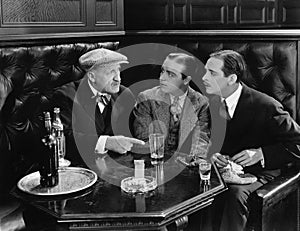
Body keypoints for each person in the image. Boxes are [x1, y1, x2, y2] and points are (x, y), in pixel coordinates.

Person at [202, 49, 300, 231]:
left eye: (212, 73)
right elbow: (206, 139)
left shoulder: (267, 106)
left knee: (235, 194)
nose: (204, 77)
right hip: (226, 173)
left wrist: (261, 154)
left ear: (231, 79)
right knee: (201, 189)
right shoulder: (212, 103)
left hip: (263, 173)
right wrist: (212, 154)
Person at [52, 48, 144, 166]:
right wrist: (106, 143)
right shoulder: (65, 96)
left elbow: (135, 131)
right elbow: (63, 139)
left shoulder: (125, 94)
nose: (118, 78)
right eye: (111, 72)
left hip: (118, 167)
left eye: (118, 71)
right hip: (81, 167)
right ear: (91, 77)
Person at [133, 53, 211, 162]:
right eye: (162, 71)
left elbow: (201, 140)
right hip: (153, 162)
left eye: (171, 74)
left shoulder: (201, 103)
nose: (162, 78)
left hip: (185, 164)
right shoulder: (146, 98)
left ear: (186, 80)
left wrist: (195, 160)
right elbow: (144, 140)